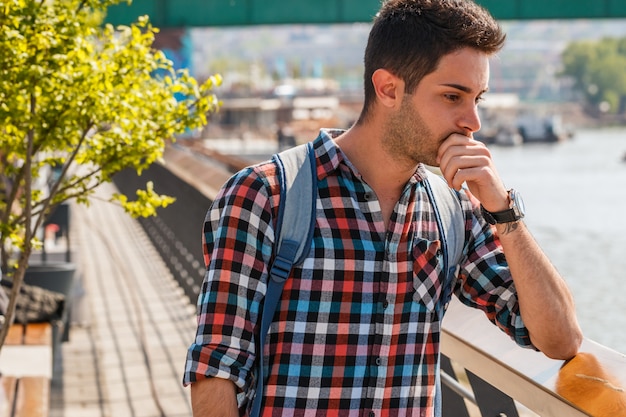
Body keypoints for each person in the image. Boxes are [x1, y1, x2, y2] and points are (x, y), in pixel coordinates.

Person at [183, 0, 583, 416]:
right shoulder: (265, 195)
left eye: (477, 98)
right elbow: (216, 368)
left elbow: (560, 340)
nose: (473, 121)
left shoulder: (455, 211)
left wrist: (503, 211)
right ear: (388, 88)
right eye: (453, 96)